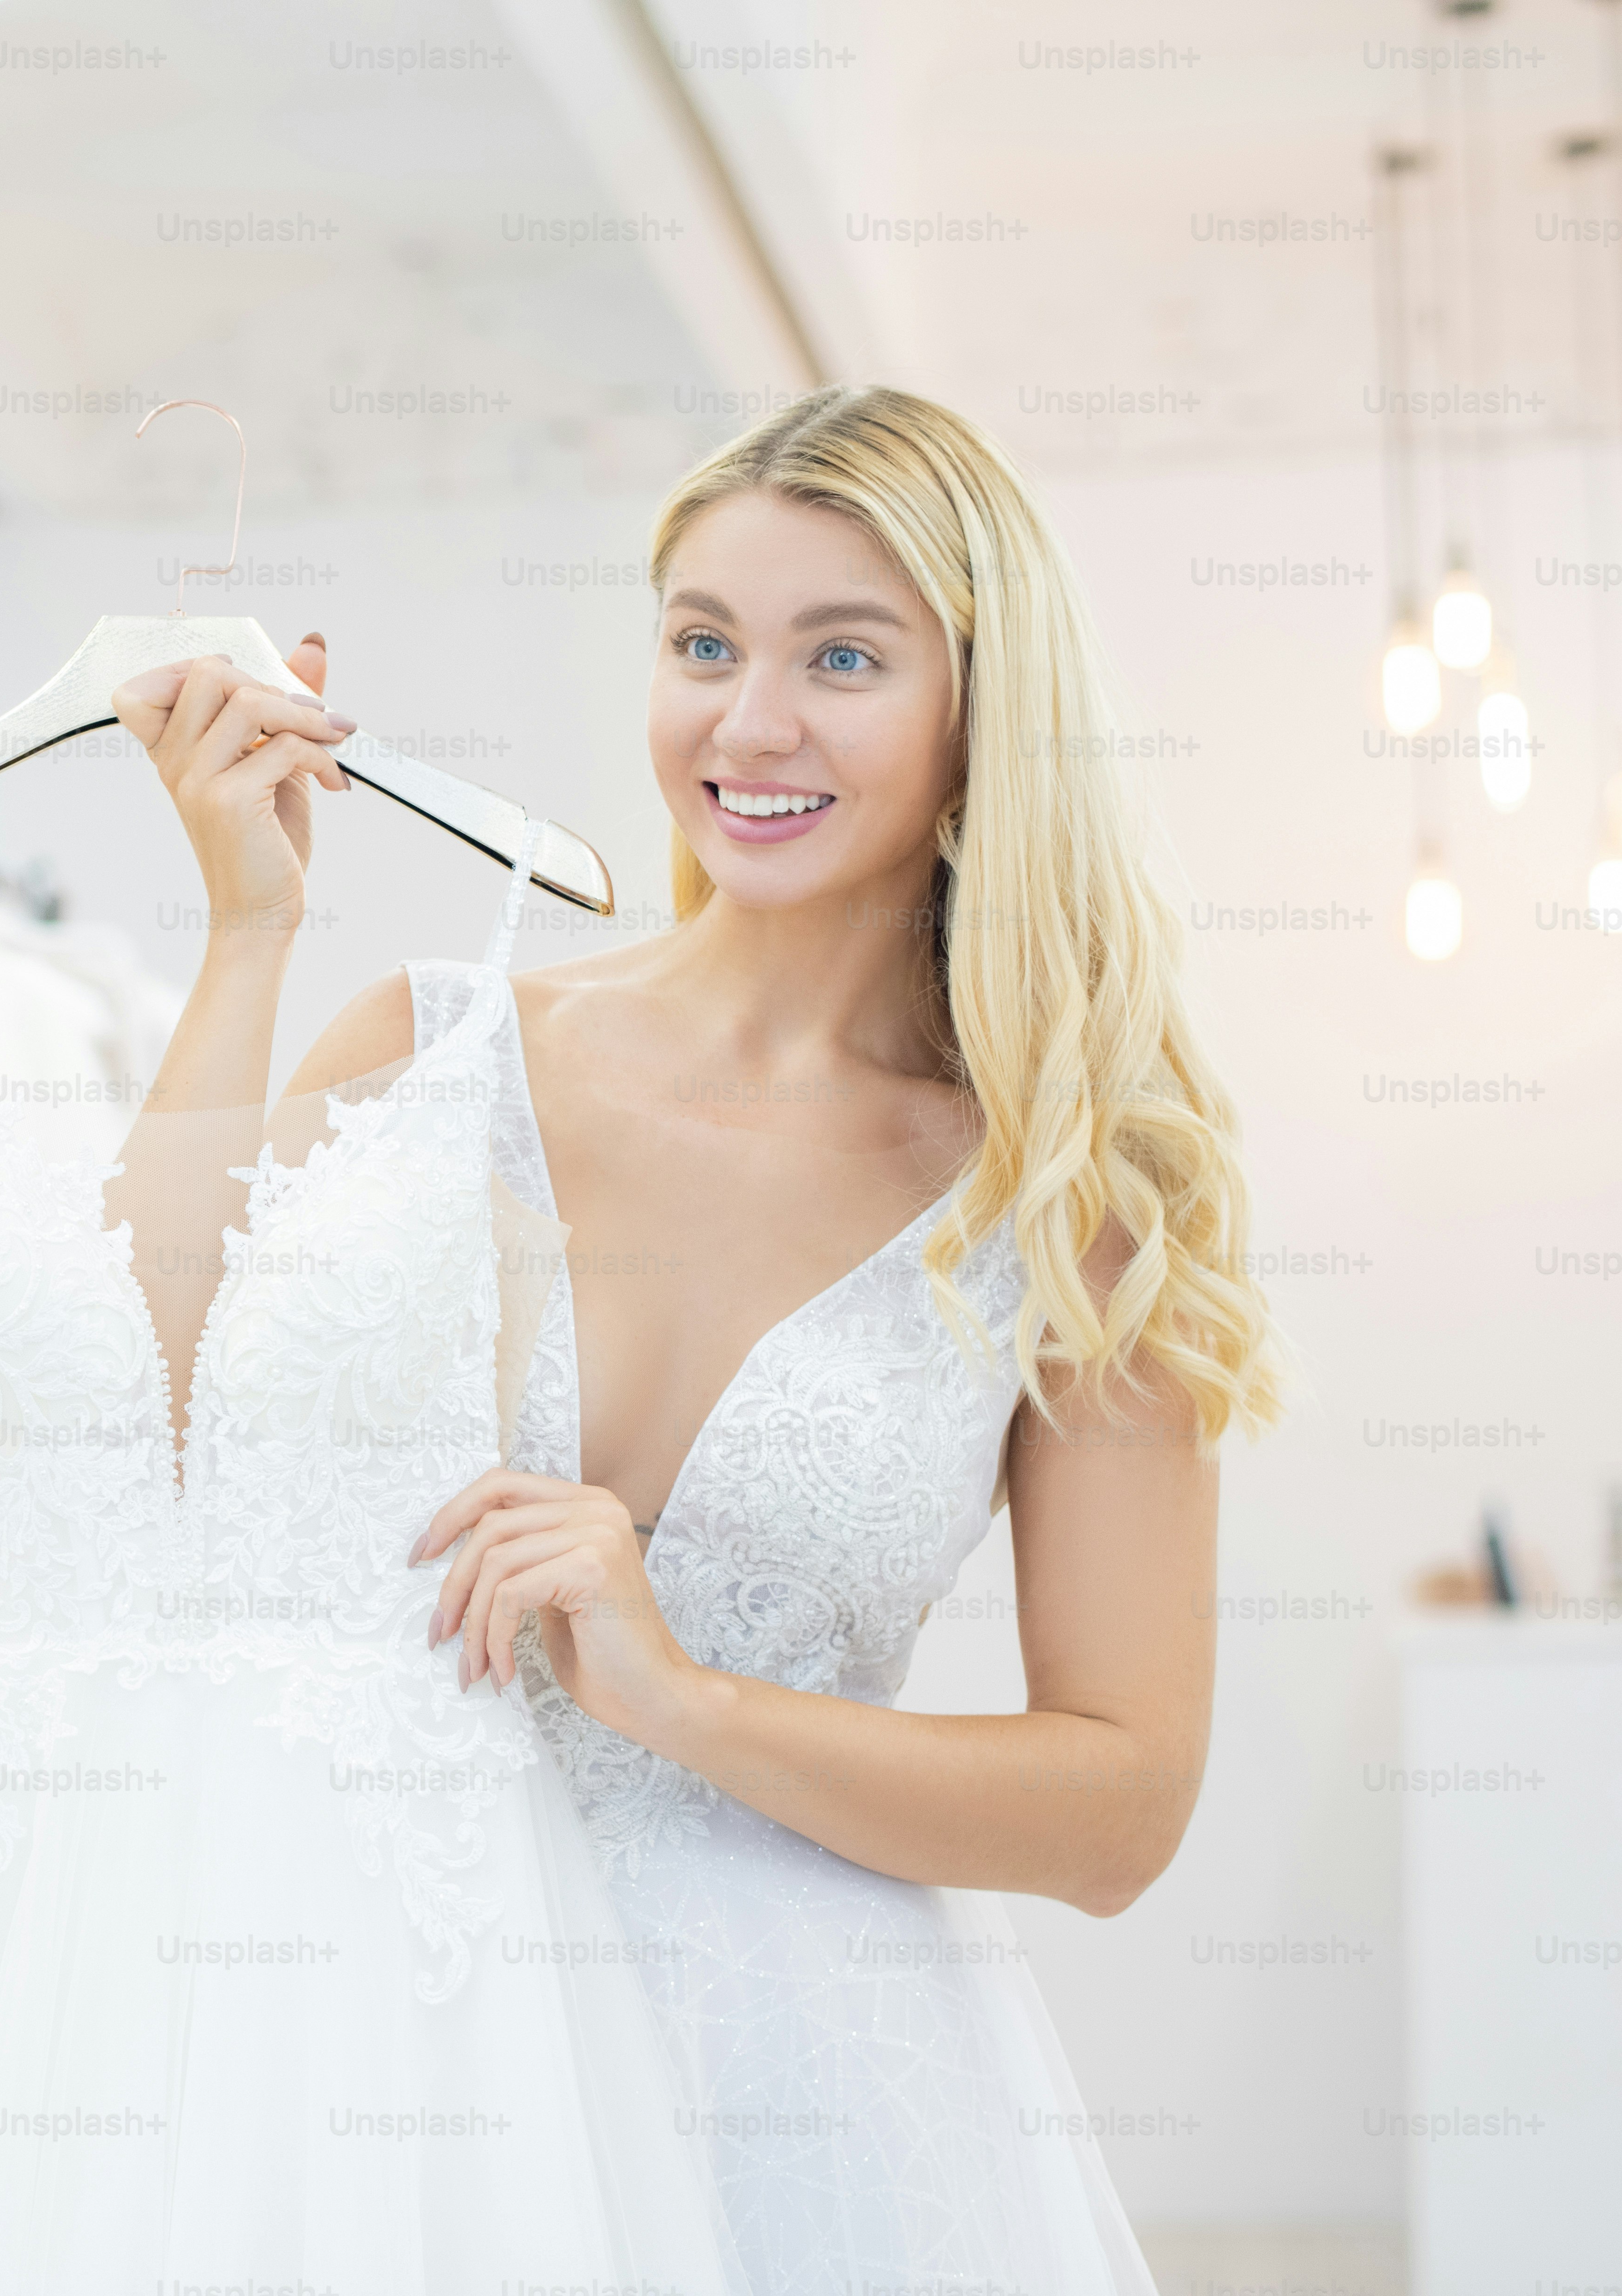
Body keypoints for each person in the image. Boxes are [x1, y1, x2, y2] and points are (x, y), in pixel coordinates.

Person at [113, 384, 1282, 2287]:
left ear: (979, 707)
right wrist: (247, 934)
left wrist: (682, 1695)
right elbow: (126, 1423)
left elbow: (1120, 1805)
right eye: (702, 645)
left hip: (798, 2100)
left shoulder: (1068, 1187)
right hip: (376, 2050)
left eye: (843, 655)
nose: (749, 722)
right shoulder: (430, 1047)